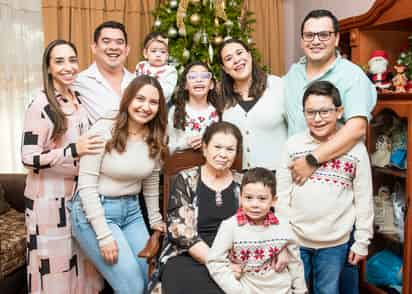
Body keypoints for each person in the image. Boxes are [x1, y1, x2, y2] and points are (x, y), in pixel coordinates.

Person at [283, 10, 377, 293]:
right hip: (298, 202)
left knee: (334, 285)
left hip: (335, 196)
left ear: (337, 38)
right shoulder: (293, 73)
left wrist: (312, 160)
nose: (316, 40)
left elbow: (357, 128)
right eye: (309, 35)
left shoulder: (351, 75)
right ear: (301, 40)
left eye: (324, 34)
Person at [70, 75, 167, 293]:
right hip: (95, 211)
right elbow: (86, 186)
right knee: (132, 286)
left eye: (153, 102)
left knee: (150, 279)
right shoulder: (103, 130)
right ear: (128, 99)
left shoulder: (156, 134)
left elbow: (151, 178)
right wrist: (104, 236)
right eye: (140, 99)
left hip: (131, 211)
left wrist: (154, 218)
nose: (145, 107)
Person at [21, 39, 104, 293]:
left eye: (72, 60)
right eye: (59, 61)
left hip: (76, 197)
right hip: (47, 202)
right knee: (54, 272)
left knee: (80, 264)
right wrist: (72, 150)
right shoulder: (41, 103)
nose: (68, 67)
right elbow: (28, 157)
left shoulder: (76, 97)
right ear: (48, 68)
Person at [276, 81, 374, 294]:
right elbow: (282, 197)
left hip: (335, 244)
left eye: (324, 111)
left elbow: (364, 198)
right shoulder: (293, 146)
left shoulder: (355, 150)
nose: (317, 118)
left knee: (327, 291)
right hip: (296, 241)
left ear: (339, 112)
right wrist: (282, 239)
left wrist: (362, 241)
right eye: (310, 112)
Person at [151, 122, 242, 294]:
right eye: (217, 147)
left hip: (230, 256)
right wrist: (221, 266)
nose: (223, 154)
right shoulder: (185, 179)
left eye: (230, 149)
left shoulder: (243, 183)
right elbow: (182, 233)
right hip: (187, 256)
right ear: (205, 148)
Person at [207, 167, 307, 294]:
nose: (255, 204)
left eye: (262, 199)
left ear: (274, 201)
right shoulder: (230, 226)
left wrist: (300, 289)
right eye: (248, 198)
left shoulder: (284, 226)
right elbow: (215, 261)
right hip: (246, 289)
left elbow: (294, 261)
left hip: (282, 289)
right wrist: (235, 290)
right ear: (240, 198)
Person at [218, 39, 286, 171]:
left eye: (239, 53)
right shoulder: (222, 98)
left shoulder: (277, 85)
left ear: (249, 55)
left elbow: (297, 127)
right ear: (224, 68)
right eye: (228, 58)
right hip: (239, 178)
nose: (237, 60)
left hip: (278, 176)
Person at [73, 21, 135, 124]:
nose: (113, 47)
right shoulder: (78, 82)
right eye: (106, 41)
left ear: (127, 50)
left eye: (119, 42)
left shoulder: (137, 82)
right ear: (94, 48)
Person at [167, 61, 220, 153]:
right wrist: (184, 144)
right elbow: (168, 148)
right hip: (182, 165)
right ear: (185, 85)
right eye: (192, 77)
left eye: (204, 76)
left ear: (211, 85)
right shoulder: (175, 111)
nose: (199, 80)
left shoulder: (219, 112)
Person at [136, 31, 178, 105]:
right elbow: (133, 83)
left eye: (163, 52)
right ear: (145, 54)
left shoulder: (170, 71)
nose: (158, 55)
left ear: (167, 55)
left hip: (160, 104)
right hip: (140, 100)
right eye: (153, 51)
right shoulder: (141, 66)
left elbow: (167, 91)